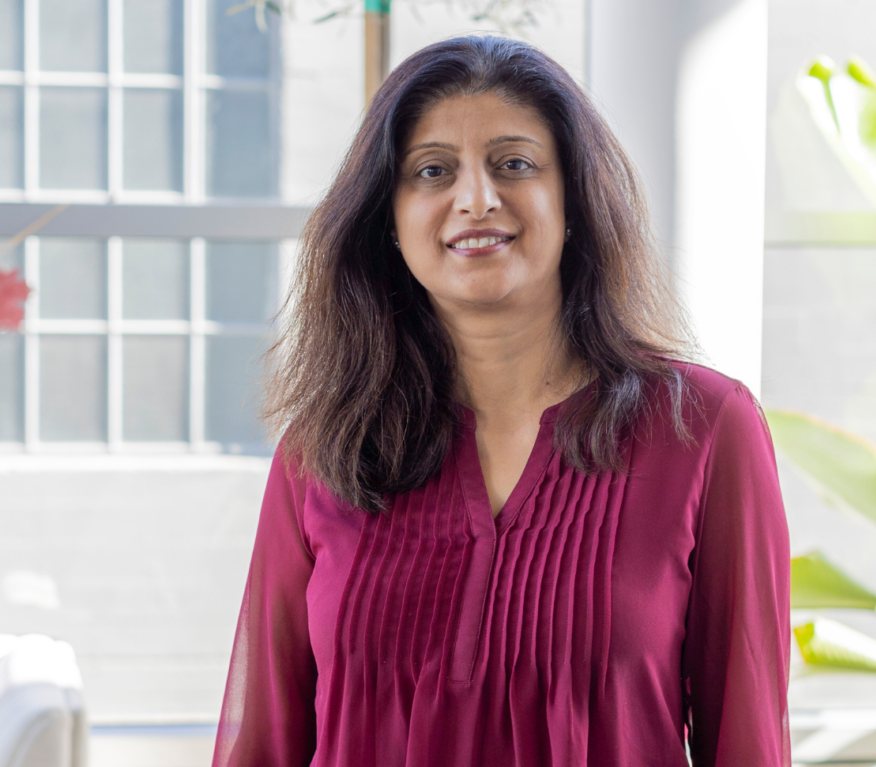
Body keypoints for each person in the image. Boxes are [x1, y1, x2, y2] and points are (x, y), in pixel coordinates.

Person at [212, 35, 790, 767]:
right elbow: (263, 743)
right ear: (388, 219)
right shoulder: (324, 446)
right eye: (432, 171)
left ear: (574, 199)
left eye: (514, 164)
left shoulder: (705, 431)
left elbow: (748, 744)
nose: (477, 198)